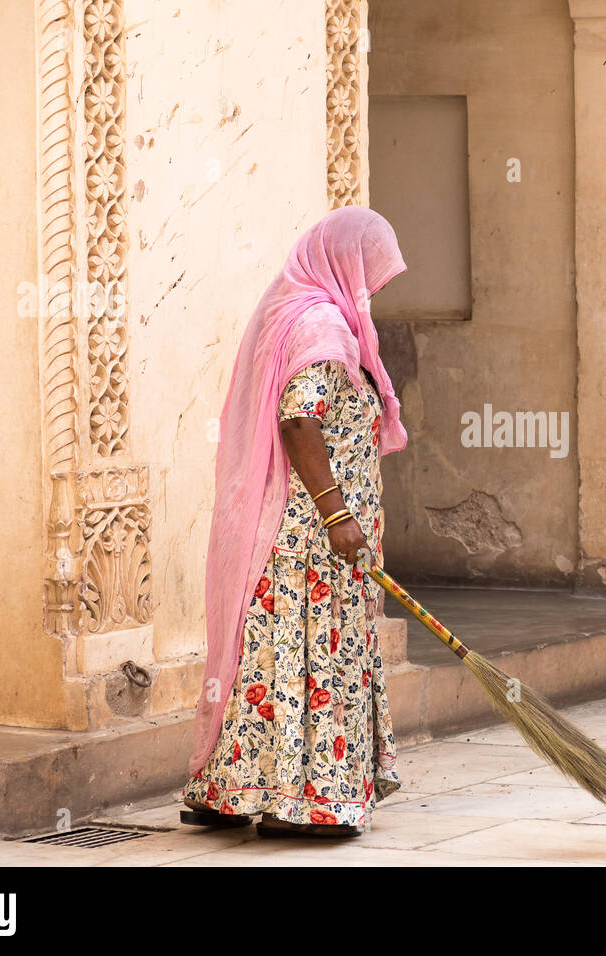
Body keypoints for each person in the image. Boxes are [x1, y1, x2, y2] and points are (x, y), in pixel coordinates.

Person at [181, 206, 409, 837]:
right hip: (312, 541)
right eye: (372, 273)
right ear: (346, 265)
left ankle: (232, 792)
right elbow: (298, 420)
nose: (374, 289)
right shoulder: (322, 329)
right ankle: (309, 804)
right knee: (307, 659)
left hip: (312, 540)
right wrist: (338, 511)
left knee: (275, 661)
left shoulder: (306, 316)